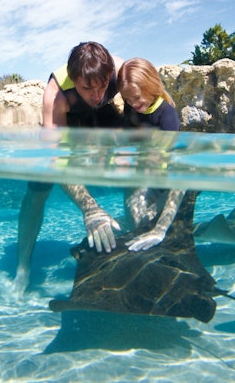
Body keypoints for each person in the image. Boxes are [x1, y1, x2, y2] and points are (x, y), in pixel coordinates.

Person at [14, 41, 124, 294]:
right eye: (87, 88)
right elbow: (57, 161)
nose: (96, 94)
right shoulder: (56, 96)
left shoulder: (121, 71)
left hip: (102, 115)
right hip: (68, 118)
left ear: (109, 76)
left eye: (103, 85)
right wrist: (90, 208)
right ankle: (23, 268)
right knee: (38, 189)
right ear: (74, 80)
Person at [117, 57, 186, 251]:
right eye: (128, 99)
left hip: (164, 181)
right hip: (142, 177)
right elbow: (125, 142)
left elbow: (172, 168)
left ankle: (162, 229)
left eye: (137, 98)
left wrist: (161, 228)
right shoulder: (131, 107)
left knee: (148, 225)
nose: (132, 103)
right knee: (137, 223)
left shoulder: (167, 115)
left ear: (151, 87)